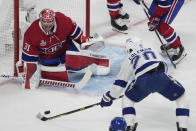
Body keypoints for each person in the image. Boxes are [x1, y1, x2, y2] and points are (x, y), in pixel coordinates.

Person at [100, 37, 190, 131]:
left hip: (142, 82)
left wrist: (108, 97)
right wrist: (158, 84)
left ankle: (129, 126)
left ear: (129, 48)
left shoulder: (129, 58)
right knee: (182, 98)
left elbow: (120, 85)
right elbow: (164, 66)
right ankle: (183, 127)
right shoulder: (152, 49)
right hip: (161, 78)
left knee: (127, 99)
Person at [17, 8, 110, 89]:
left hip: (65, 48)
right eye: (45, 24)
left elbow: (76, 34)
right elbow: (28, 58)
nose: (48, 27)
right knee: (51, 73)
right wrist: (28, 71)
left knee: (75, 62)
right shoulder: (31, 33)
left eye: (50, 24)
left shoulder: (62, 20)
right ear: (40, 21)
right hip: (48, 56)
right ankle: (52, 67)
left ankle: (93, 64)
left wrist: (84, 41)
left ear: (54, 20)